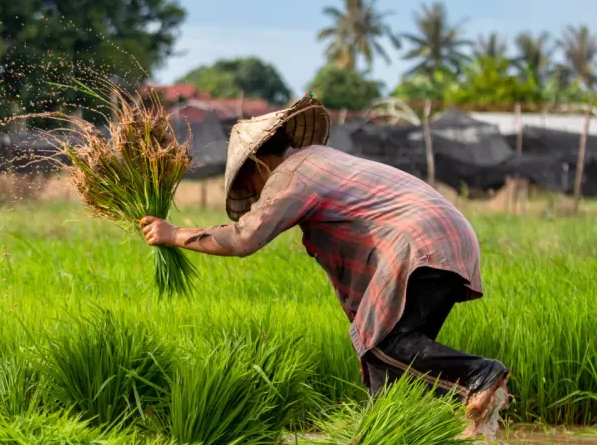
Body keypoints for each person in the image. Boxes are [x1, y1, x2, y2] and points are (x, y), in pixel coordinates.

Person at [140, 95, 510, 440]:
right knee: (388, 372)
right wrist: (364, 338)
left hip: (420, 242)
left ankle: (480, 373)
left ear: (256, 163)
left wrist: (174, 235)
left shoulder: (294, 175)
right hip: (444, 238)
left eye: (250, 185)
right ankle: (384, 431)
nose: (256, 196)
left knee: (388, 343)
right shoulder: (321, 163)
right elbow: (354, 279)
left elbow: (243, 239)